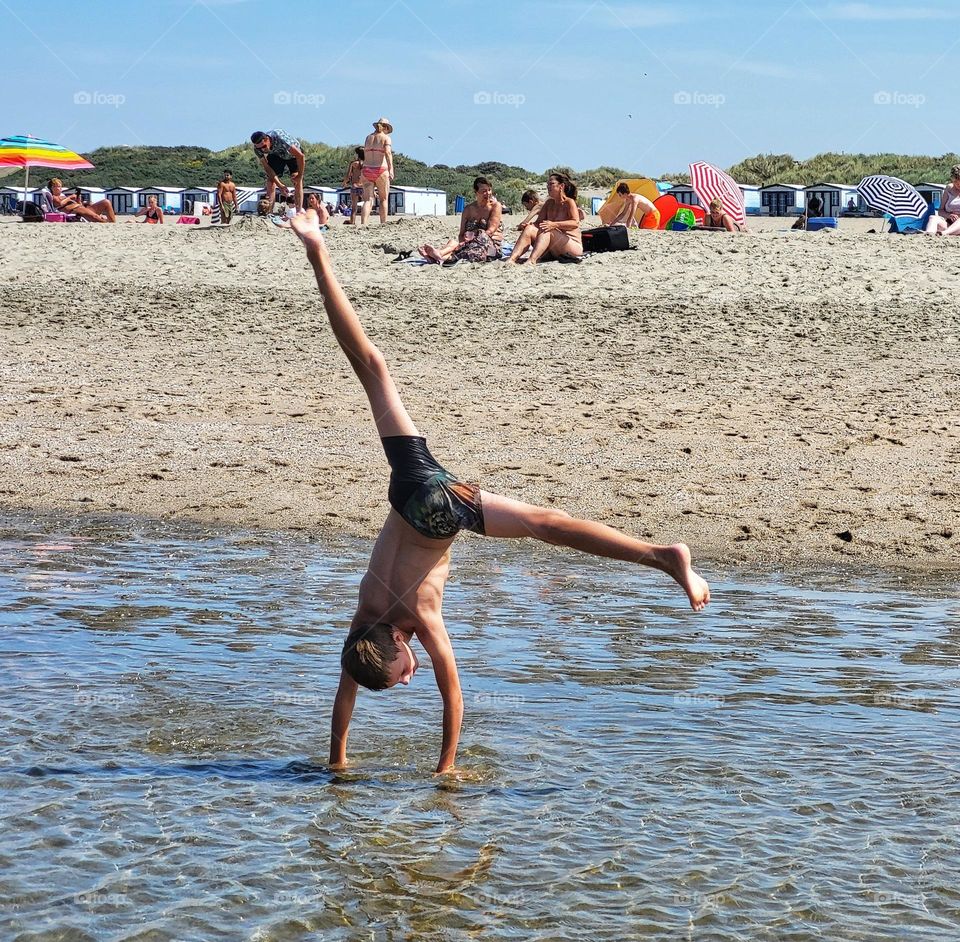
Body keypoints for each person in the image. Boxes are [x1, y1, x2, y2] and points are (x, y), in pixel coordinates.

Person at [286, 210, 710, 775]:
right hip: (407, 488)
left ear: (392, 646)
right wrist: (336, 758)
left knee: (546, 524)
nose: (409, 675)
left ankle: (661, 557)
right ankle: (317, 251)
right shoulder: (361, 628)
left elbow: (452, 694)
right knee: (372, 367)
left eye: (401, 671)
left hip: (435, 509)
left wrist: (447, 768)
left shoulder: (418, 617)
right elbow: (346, 694)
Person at [418, 176, 503, 264]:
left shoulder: (495, 206)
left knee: (481, 236)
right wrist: (463, 242)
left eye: (489, 190)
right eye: (483, 191)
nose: (488, 193)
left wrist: (473, 236)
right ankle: (439, 254)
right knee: (453, 242)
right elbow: (461, 234)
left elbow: (491, 230)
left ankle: (440, 256)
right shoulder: (468, 209)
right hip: (469, 244)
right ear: (476, 192)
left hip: (489, 244)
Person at [505, 171, 582, 265]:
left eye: (551, 184)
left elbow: (575, 223)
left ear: (561, 186)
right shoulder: (549, 203)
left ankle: (532, 260)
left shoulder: (569, 202)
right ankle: (512, 259)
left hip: (570, 246)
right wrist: (530, 225)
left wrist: (554, 224)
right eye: (547, 184)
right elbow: (538, 223)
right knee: (530, 229)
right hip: (552, 248)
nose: (548, 187)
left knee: (547, 228)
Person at [251, 129, 305, 211]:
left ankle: (299, 211)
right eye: (259, 148)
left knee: (296, 178)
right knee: (270, 181)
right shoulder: (257, 149)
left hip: (292, 154)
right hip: (276, 155)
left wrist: (300, 176)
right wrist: (280, 185)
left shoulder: (281, 139)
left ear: (267, 140)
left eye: (264, 146)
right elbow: (267, 167)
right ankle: (268, 211)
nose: (262, 150)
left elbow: (300, 156)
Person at [360, 117, 394, 225]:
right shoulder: (386, 138)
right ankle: (383, 223)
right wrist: (391, 168)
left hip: (367, 169)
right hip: (380, 169)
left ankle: (363, 224)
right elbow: (388, 153)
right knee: (383, 199)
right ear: (385, 127)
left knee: (367, 200)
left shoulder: (368, 138)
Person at [46, 178, 116, 222]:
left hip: (81, 208)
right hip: (76, 211)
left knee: (106, 202)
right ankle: (105, 222)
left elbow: (80, 204)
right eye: (56, 186)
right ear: (51, 188)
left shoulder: (63, 196)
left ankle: (113, 222)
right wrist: (70, 197)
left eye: (60, 186)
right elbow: (60, 204)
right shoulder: (54, 197)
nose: (59, 188)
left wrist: (78, 199)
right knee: (97, 217)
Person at [925, 166, 960, 236]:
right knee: (933, 218)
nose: (958, 184)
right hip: (950, 224)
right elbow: (940, 210)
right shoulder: (949, 188)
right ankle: (928, 235)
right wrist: (949, 215)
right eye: (955, 181)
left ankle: (943, 233)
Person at [341, 146, 365, 225]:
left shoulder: (354, 164)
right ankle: (364, 221)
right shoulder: (366, 164)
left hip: (354, 186)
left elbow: (348, 176)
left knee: (354, 207)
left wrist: (344, 183)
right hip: (363, 186)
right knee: (366, 205)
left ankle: (352, 221)